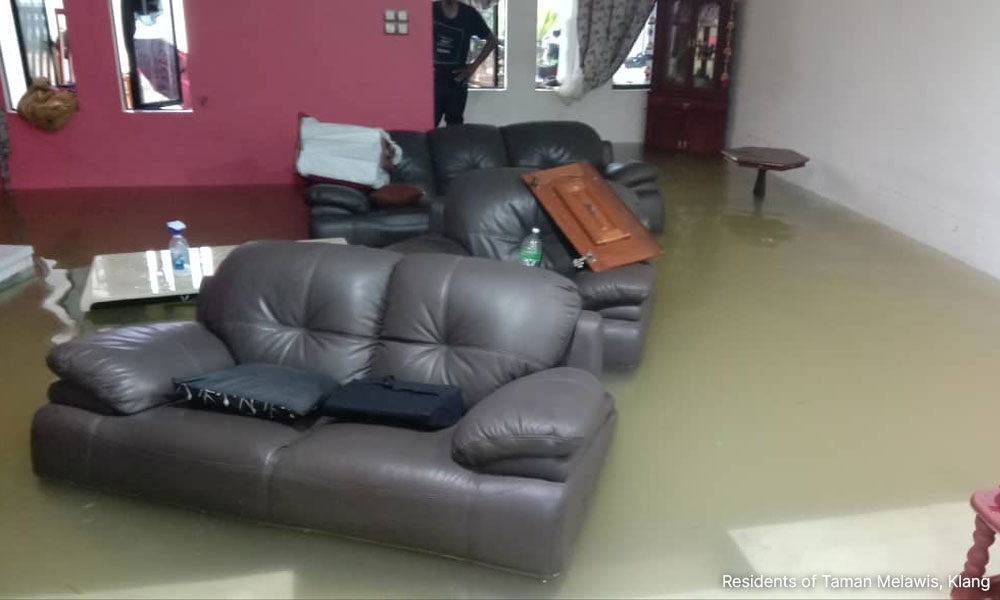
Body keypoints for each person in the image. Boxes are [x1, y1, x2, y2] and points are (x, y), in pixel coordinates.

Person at [432, 0, 498, 127]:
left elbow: (492, 40)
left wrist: (472, 68)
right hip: (431, 82)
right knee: (427, 126)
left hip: (457, 81)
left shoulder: (469, 14)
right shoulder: (431, 10)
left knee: (455, 128)